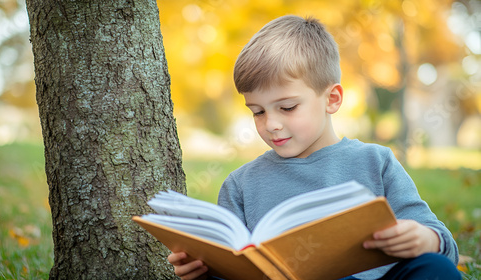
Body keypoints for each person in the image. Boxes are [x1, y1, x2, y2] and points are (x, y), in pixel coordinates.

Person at [168, 15, 461, 280]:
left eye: (287, 107)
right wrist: (203, 271)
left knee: (436, 269)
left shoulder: (376, 161)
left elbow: (439, 242)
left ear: (332, 99)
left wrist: (427, 239)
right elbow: (233, 266)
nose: (270, 124)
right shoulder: (240, 185)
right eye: (257, 111)